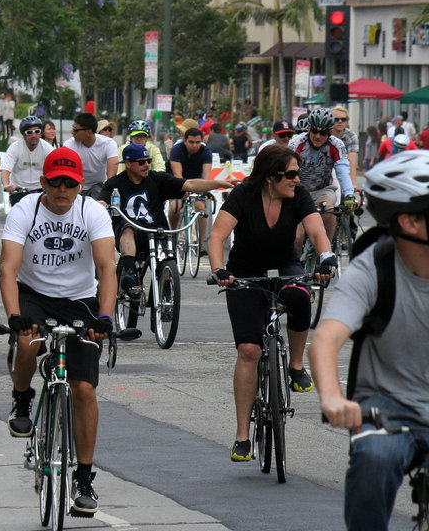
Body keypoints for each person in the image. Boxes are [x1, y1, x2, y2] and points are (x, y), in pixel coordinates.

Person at [309, 150, 429, 531]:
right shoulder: (374, 266)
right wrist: (332, 398)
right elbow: (326, 338)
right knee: (374, 458)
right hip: (388, 408)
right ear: (410, 221)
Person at [0, 146, 116, 516]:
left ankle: (83, 477)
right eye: (57, 184)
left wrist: (106, 317)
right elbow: (7, 268)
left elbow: (107, 268)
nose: (63, 191)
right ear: (44, 182)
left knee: (84, 388)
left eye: (71, 184)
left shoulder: (92, 212)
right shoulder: (25, 210)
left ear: (80, 185)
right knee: (28, 341)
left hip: (80, 300)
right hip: (34, 294)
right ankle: (21, 397)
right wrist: (15, 314)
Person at [206, 145, 336, 462]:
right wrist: (219, 270)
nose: (296, 180)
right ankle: (242, 436)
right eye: (290, 174)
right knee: (249, 350)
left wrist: (326, 259)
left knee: (300, 296)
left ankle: (295, 366)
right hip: (244, 273)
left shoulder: (299, 196)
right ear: (270, 176)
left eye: (298, 174)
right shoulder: (244, 195)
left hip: (285, 266)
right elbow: (217, 236)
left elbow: (318, 232)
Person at [104, 144, 235, 294]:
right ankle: (129, 272)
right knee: (128, 228)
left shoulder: (157, 179)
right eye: (141, 162)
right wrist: (101, 205)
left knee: (168, 254)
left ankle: (166, 290)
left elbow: (190, 184)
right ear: (128, 164)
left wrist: (221, 184)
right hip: (131, 232)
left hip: (156, 229)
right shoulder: (114, 184)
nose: (146, 165)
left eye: (148, 160)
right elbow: (102, 201)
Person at [288, 106, 355, 247]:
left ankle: (326, 252)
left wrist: (349, 195)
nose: (318, 136)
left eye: (323, 133)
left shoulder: (337, 145)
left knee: (329, 210)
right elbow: (285, 168)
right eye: (315, 131)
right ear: (308, 129)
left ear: (330, 132)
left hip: (322, 190)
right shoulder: (296, 143)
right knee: (296, 238)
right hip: (298, 191)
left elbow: (342, 171)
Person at [167, 126, 213, 235]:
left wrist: (205, 189)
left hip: (197, 184)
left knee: (200, 208)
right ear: (185, 141)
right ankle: (173, 234)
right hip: (179, 183)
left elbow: (206, 174)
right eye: (191, 142)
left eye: (198, 142)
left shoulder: (206, 152)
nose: (194, 145)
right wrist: (183, 188)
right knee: (175, 207)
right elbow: (177, 173)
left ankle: (200, 244)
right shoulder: (177, 149)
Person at [0, 115, 53, 206]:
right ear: (24, 135)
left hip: (40, 191)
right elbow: (6, 169)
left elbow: (55, 167)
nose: (34, 135)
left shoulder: (47, 148)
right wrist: (6, 185)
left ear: (41, 133)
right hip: (19, 191)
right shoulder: (15, 147)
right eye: (29, 132)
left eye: (37, 132)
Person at [62, 112, 118, 191]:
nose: (72, 132)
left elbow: (112, 174)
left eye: (76, 130)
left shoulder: (108, 143)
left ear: (88, 132)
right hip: (76, 185)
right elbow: (66, 170)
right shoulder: (69, 145)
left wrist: (107, 193)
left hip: (99, 186)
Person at [330, 106, 360, 191]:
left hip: (343, 169)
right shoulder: (325, 134)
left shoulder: (351, 136)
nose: (340, 122)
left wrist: (353, 183)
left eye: (343, 119)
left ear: (347, 122)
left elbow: (352, 161)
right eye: (336, 119)